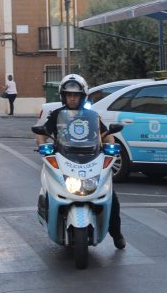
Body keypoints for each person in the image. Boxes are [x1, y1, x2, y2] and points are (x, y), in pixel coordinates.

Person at [36, 74, 126, 250]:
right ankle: (49, 219)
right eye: (68, 94)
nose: (72, 98)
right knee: (50, 190)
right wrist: (42, 145)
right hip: (64, 159)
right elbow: (41, 134)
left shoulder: (92, 116)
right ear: (63, 96)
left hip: (91, 159)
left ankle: (117, 234)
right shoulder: (57, 115)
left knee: (111, 198)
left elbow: (108, 137)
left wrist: (111, 148)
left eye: (75, 95)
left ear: (82, 96)